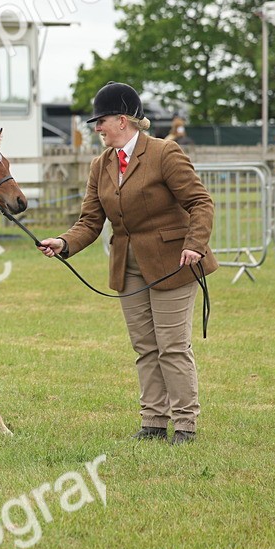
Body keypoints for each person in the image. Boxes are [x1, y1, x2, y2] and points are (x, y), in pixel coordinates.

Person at [38, 82, 218, 446]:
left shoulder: (165, 153)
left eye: (101, 121)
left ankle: (185, 424)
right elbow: (90, 221)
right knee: (145, 346)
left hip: (173, 262)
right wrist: (63, 242)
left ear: (123, 120)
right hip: (128, 267)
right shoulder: (100, 164)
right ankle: (153, 421)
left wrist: (195, 245)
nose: (96, 128)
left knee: (172, 345)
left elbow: (201, 203)